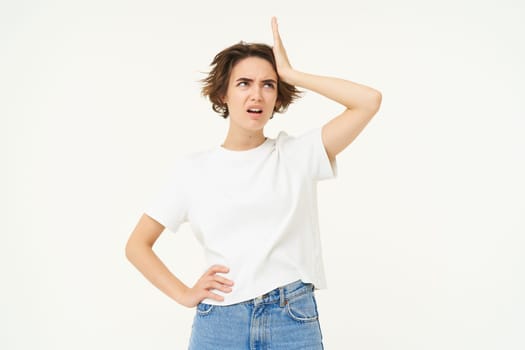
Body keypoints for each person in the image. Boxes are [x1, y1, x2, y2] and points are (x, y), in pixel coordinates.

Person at [125, 17, 382, 349]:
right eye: (244, 83)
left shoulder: (296, 154)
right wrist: (185, 294)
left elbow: (368, 101)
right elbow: (137, 246)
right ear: (223, 94)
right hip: (220, 323)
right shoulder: (193, 170)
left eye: (268, 84)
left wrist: (292, 74)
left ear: (277, 96)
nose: (256, 95)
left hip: (292, 318)